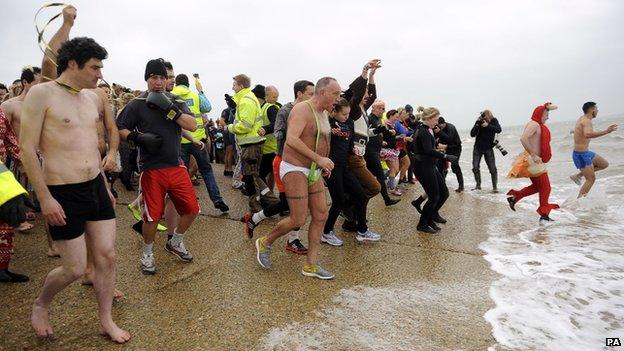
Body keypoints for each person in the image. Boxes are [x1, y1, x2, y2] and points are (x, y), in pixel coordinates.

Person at [20, 37, 130, 342]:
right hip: (61, 190)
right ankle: (41, 303)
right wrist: (44, 197)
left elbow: (91, 142)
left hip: (94, 184)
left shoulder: (94, 97)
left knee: (107, 256)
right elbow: (27, 149)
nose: (100, 74)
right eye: (95, 67)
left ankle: (105, 320)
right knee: (74, 267)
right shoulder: (42, 94)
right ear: (72, 64)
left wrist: (104, 181)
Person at [117, 59, 199, 275]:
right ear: (147, 79)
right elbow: (120, 130)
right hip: (151, 169)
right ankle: (147, 254)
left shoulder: (175, 100)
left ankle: (175, 242)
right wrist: (138, 137)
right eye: (154, 77)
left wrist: (170, 109)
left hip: (175, 165)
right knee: (152, 217)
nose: (159, 82)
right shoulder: (137, 103)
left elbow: (192, 125)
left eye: (163, 77)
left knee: (192, 210)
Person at [254, 77, 340, 280]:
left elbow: (320, 140)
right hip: (294, 168)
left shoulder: (324, 113)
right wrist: (318, 158)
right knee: (298, 218)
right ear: (322, 92)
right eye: (335, 94)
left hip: (313, 169)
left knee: (321, 215)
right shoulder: (302, 110)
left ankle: (310, 265)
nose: (338, 99)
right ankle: (265, 242)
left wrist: (323, 163)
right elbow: (291, 139)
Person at [241, 80, 314, 255]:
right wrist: (293, 133)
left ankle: (255, 219)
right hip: (284, 162)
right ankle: (292, 240)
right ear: (300, 94)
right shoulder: (286, 110)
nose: (313, 98)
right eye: (310, 94)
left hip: (302, 164)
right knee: (293, 204)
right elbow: (279, 133)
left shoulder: (310, 111)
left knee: (290, 203)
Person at [323, 98, 381, 245]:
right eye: (343, 114)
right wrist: (329, 131)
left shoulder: (348, 123)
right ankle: (326, 232)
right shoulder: (327, 124)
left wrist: (353, 150)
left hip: (345, 166)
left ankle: (362, 231)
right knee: (338, 201)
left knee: (361, 196)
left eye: (348, 113)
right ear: (334, 111)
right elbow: (317, 137)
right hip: (331, 167)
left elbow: (349, 142)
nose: (346, 117)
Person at [172, 74, 229, 212]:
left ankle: (182, 204)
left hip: (180, 140)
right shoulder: (195, 95)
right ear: (187, 84)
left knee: (180, 175)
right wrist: (200, 91)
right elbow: (207, 107)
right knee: (206, 170)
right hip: (198, 140)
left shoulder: (170, 95)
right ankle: (217, 199)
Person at [506, 102, 560, 222]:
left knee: (538, 186)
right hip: (533, 161)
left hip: (533, 161)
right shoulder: (534, 124)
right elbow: (523, 138)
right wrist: (533, 154)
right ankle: (544, 215)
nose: (548, 117)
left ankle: (515, 198)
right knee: (546, 188)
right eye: (546, 114)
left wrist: (548, 107)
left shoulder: (537, 124)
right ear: (540, 114)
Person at [226, 75, 271, 212]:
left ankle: (261, 206)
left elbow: (245, 125)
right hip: (252, 143)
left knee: (251, 178)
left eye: (234, 85)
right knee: (253, 177)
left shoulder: (246, 101)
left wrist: (230, 127)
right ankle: (270, 203)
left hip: (251, 145)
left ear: (240, 86)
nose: (232, 87)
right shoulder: (248, 98)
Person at [411, 107, 457, 233]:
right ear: (429, 118)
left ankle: (430, 218)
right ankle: (422, 224)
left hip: (430, 165)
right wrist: (446, 156)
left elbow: (426, 148)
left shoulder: (427, 129)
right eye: (435, 119)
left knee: (444, 193)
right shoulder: (423, 131)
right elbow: (427, 150)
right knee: (434, 196)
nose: (437, 122)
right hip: (423, 167)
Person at [0, 120, 29, 282]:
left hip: (1, 175)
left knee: (5, 226)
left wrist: (25, 165)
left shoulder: (1, 114)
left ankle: (2, 269)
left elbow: (11, 141)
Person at [570, 102, 618, 198]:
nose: (597, 111)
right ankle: (579, 202)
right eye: (596, 109)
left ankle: (578, 176)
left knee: (604, 164)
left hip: (586, 152)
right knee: (591, 179)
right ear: (591, 109)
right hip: (581, 155)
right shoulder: (586, 121)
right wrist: (606, 131)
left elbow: (581, 130)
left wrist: (575, 131)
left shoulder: (582, 118)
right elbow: (587, 134)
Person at [366, 100, 400, 205]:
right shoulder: (369, 118)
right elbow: (367, 132)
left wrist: (388, 133)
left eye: (384, 108)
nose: (383, 110)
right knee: (379, 175)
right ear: (374, 108)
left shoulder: (378, 119)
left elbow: (380, 131)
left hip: (376, 150)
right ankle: (386, 199)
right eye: (381, 108)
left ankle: (354, 202)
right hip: (370, 151)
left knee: (368, 178)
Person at [470, 109, 501, 192]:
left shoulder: (494, 120)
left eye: (486, 116)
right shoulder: (479, 121)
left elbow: (499, 129)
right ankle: (478, 185)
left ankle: (495, 187)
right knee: (475, 167)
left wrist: (488, 125)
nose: (485, 119)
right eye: (484, 117)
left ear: (489, 115)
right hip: (478, 148)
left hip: (488, 148)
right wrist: (477, 124)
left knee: (492, 169)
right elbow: (472, 134)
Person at [437, 117, 464, 192]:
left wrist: (440, 132)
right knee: (440, 164)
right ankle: (442, 183)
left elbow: (450, 139)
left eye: (441, 125)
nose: (440, 127)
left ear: (444, 123)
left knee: (455, 166)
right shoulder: (438, 128)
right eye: (439, 125)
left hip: (455, 149)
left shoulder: (451, 128)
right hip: (445, 149)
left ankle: (461, 186)